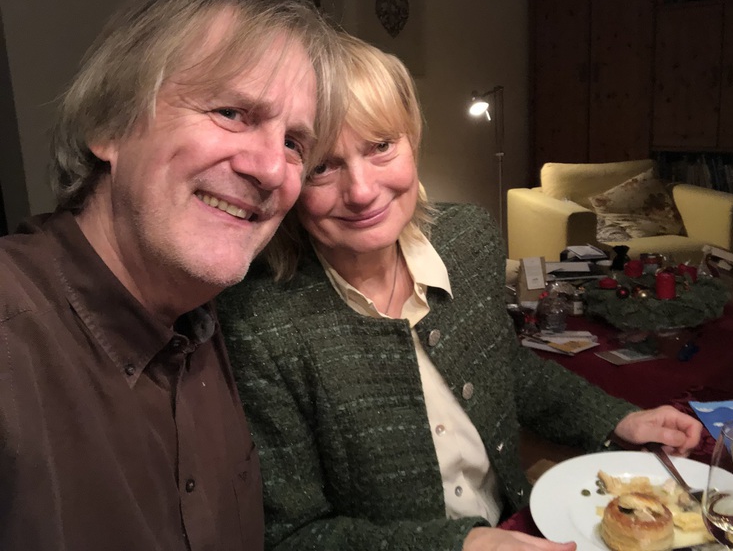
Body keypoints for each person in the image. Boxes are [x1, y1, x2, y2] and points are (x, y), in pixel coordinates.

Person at [217, 32, 703, 551]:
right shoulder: (258, 322)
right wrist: (461, 546)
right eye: (322, 167)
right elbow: (294, 536)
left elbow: (506, 367)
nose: (361, 191)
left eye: (380, 146)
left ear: (413, 138)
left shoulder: (468, 240)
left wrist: (618, 419)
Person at [0, 0, 344, 550]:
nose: (270, 169)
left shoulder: (210, 319)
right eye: (231, 112)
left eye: (293, 143)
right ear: (110, 124)